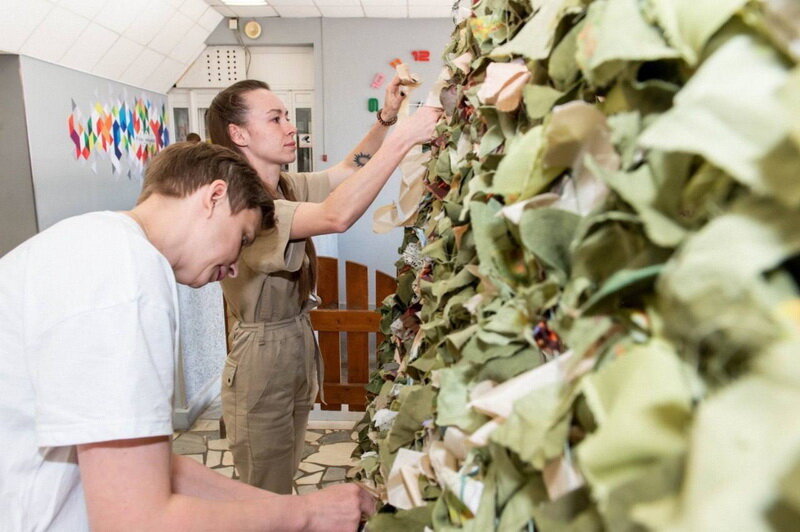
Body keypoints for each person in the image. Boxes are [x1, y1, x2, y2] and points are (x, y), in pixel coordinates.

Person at [0, 141, 375, 531]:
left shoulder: (92, 243)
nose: (233, 269)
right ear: (214, 197)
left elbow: (154, 468)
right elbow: (136, 521)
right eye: (243, 238)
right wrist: (308, 515)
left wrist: (294, 506)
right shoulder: (125, 275)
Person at [207, 78, 441, 493]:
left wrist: (387, 119)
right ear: (238, 134)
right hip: (262, 353)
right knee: (265, 488)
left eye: (287, 117)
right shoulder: (246, 207)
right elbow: (336, 216)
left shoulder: (285, 186)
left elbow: (348, 170)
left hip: (295, 338)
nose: (289, 126)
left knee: (284, 469)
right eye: (275, 118)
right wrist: (402, 140)